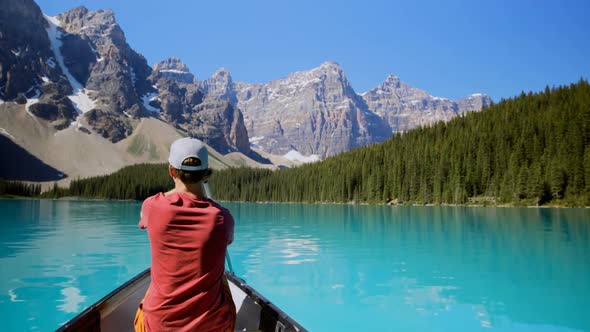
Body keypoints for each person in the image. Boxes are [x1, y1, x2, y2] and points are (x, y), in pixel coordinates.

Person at [134, 137, 236, 332]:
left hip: (159, 326)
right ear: (206, 173)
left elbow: (144, 219)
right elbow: (228, 239)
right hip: (213, 327)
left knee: (149, 296)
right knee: (222, 284)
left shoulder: (152, 207)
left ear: (171, 170)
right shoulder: (223, 218)